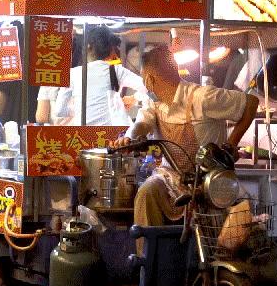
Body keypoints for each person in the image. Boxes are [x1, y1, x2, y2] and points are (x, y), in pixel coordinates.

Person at [110, 45, 258, 254]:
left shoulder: (202, 97)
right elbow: (141, 124)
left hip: (208, 180)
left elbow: (250, 103)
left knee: (227, 238)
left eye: (144, 79)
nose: (145, 84)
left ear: (150, 79)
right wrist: (129, 138)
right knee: (146, 192)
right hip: (171, 179)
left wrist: (230, 146)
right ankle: (150, 264)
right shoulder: (155, 105)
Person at [54, 26, 146, 125]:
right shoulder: (116, 71)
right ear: (111, 50)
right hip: (113, 135)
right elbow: (149, 87)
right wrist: (134, 98)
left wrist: (78, 108)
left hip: (82, 135)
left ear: (88, 46)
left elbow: (59, 111)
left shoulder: (72, 73)